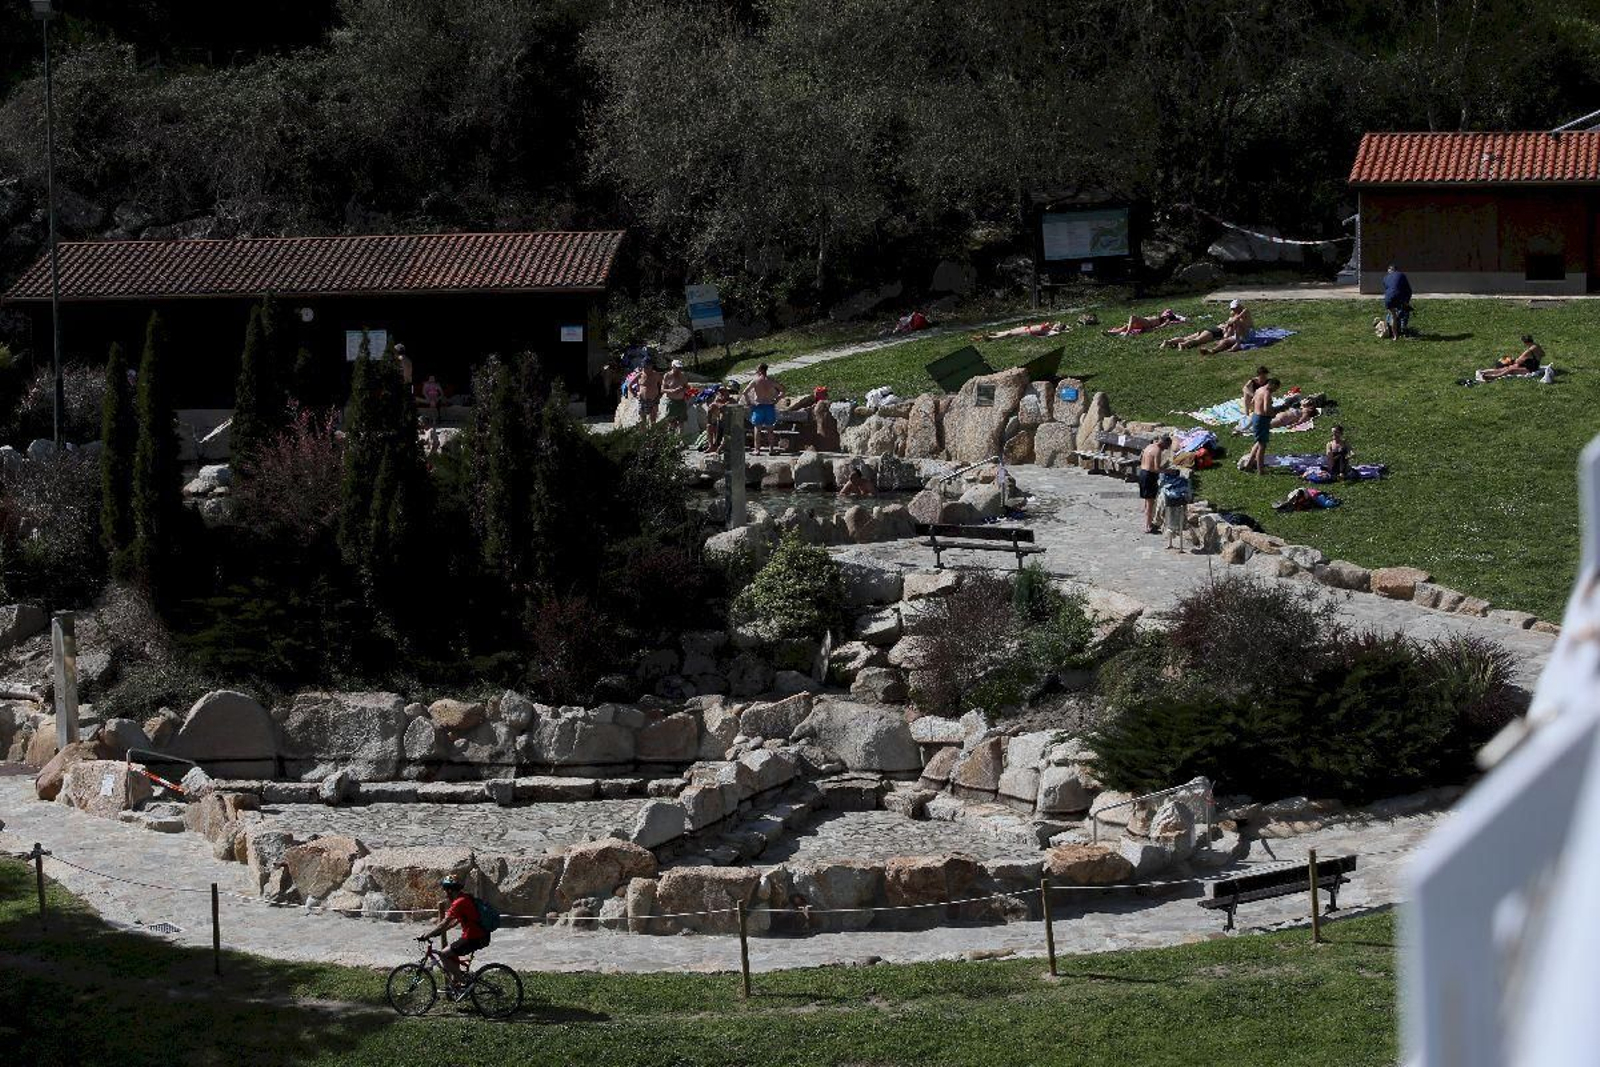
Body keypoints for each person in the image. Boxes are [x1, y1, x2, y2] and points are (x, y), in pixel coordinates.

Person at [416, 876, 488, 990]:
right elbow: (454, 922)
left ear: (449, 890)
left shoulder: (459, 903)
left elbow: (443, 923)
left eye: (445, 890)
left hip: (473, 937)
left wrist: (427, 935)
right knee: (452, 952)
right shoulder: (465, 898)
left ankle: (465, 983)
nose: (445, 893)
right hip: (478, 935)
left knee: (443, 954)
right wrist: (439, 932)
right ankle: (458, 983)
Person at [742, 363, 784, 454]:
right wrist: (777, 399)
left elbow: (745, 392)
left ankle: (757, 450)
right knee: (770, 429)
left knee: (757, 428)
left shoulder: (755, 381)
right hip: (769, 405)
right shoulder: (771, 381)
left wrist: (749, 402)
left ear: (760, 370)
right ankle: (771, 449)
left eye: (757, 369)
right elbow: (783, 390)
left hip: (759, 406)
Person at [1137, 434, 1170, 534]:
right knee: (1150, 502)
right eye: (1167, 447)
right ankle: (1148, 526)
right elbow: (1156, 468)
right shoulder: (1158, 451)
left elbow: (1142, 461)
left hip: (1142, 473)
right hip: (1149, 476)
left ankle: (1148, 522)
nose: (1166, 449)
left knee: (1147, 501)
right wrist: (1169, 471)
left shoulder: (1149, 446)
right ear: (1164, 443)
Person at [1244, 377, 1278, 474]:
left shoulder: (1259, 390)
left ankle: (1248, 465)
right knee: (1262, 446)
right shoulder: (1267, 393)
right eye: (1275, 389)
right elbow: (1266, 409)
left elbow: (1252, 402)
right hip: (1262, 419)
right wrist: (1273, 414)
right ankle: (1260, 470)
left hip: (1256, 417)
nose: (1274, 391)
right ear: (1272, 385)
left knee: (1258, 443)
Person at [1477, 335, 1545, 381]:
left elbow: (1518, 360)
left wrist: (1514, 361)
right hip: (1532, 365)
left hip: (1531, 369)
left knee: (1510, 370)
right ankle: (1485, 372)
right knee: (1508, 368)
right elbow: (1543, 354)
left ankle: (1492, 376)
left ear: (1526, 342)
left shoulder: (1529, 351)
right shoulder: (1537, 346)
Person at [1382, 265, 1413, 339]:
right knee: (1405, 310)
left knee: (1393, 315)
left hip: (1388, 299)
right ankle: (1403, 329)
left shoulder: (1385, 278)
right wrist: (1406, 303)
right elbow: (1408, 290)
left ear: (1389, 271)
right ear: (1396, 270)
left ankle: (1393, 334)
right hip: (1399, 297)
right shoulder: (1401, 275)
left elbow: (1388, 290)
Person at [631, 360, 663, 425]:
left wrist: (660, 395)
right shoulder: (640, 375)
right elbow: (629, 385)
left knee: (653, 420)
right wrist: (634, 395)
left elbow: (663, 385)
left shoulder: (656, 375)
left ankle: (652, 434)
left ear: (651, 366)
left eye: (647, 367)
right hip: (642, 399)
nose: (645, 368)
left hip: (654, 399)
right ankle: (643, 434)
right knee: (643, 420)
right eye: (644, 367)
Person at [662, 359, 689, 432]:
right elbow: (663, 389)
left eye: (680, 368)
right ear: (673, 367)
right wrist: (672, 391)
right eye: (677, 368)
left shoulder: (683, 376)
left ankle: (681, 439)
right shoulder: (667, 376)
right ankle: (671, 438)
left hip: (681, 401)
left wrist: (682, 390)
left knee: (681, 421)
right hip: (671, 401)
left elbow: (687, 387)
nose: (679, 370)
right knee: (671, 421)